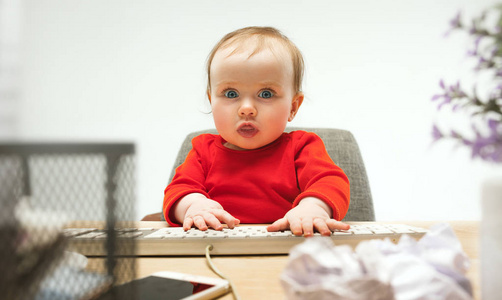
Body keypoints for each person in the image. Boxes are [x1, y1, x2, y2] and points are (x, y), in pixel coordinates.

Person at [163, 26, 350, 236]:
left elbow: (331, 182)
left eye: (266, 94)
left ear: (293, 107)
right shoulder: (202, 150)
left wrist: (313, 208)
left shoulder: (302, 146)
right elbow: (178, 191)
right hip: (216, 246)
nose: (247, 109)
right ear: (211, 101)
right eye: (231, 93)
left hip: (287, 247)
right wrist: (193, 205)